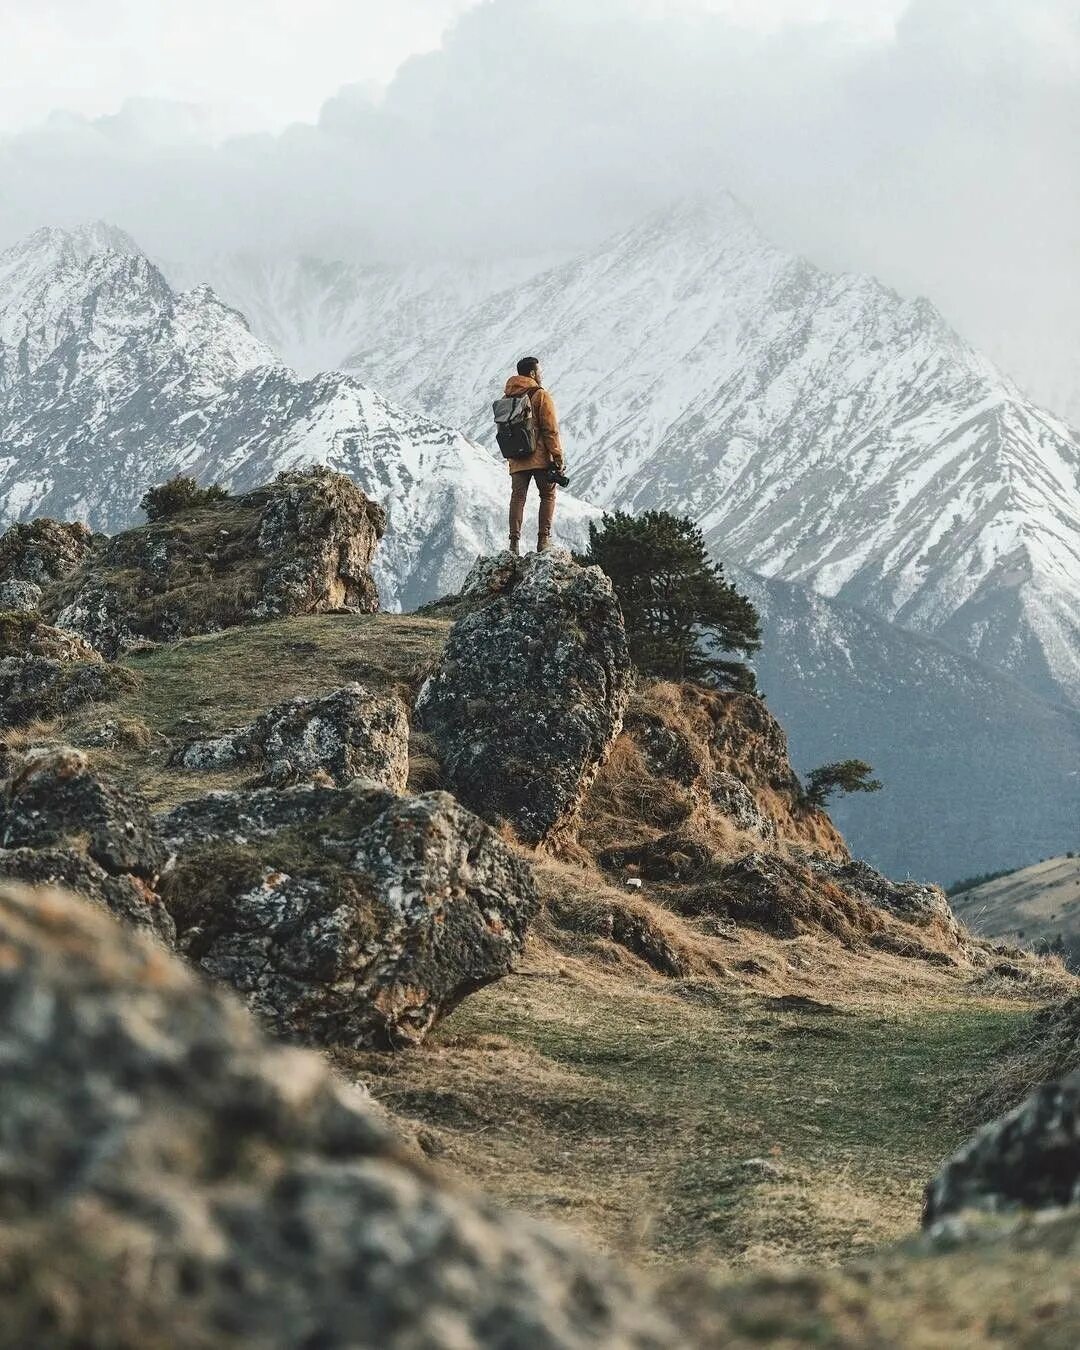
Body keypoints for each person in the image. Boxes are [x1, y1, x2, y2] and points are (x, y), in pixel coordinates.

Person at [503, 356, 565, 555]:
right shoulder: (540, 395)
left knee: (517, 498)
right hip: (539, 458)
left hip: (516, 458)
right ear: (532, 373)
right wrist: (557, 456)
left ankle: (513, 543)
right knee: (547, 495)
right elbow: (550, 429)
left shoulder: (507, 398)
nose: (541, 375)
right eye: (539, 372)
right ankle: (543, 540)